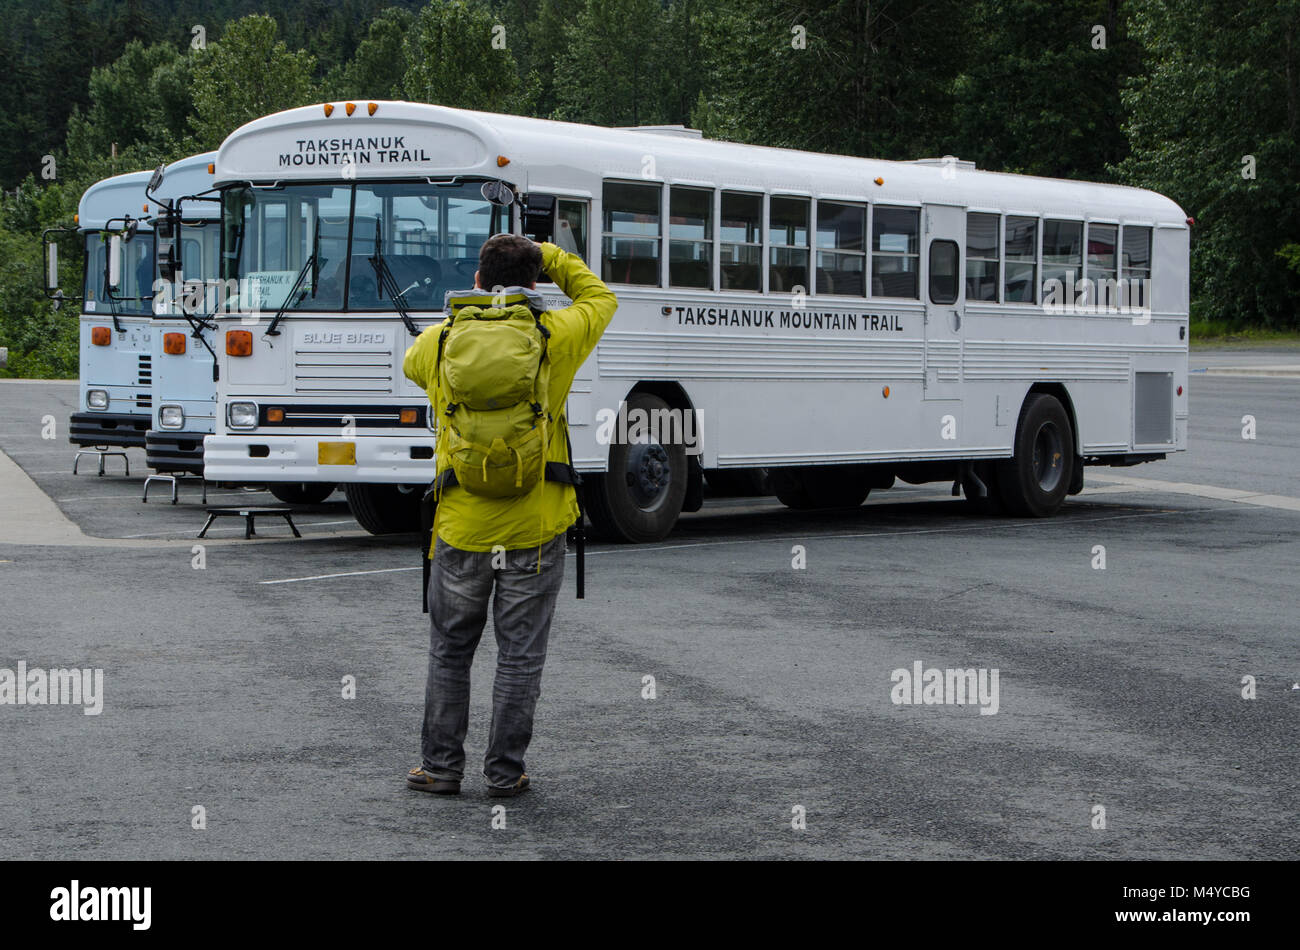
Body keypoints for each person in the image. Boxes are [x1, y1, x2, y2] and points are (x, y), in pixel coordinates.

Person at [402, 233, 617, 797]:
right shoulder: (554, 336)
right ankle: (504, 773)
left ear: (476, 280)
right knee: (519, 659)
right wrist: (552, 254)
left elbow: (409, 367)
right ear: (536, 283)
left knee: (450, 651)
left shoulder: (439, 342)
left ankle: (441, 768)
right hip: (536, 527)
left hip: (460, 527)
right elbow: (600, 298)